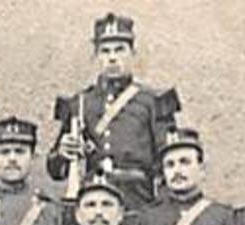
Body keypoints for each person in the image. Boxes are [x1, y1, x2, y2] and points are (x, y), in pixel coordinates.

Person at [46, 13, 180, 212]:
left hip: (138, 200)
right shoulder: (80, 103)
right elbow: (55, 171)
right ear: (96, 56)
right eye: (105, 51)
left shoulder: (152, 101)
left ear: (133, 53)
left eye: (120, 50)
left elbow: (169, 159)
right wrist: (63, 153)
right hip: (94, 202)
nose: (112, 58)